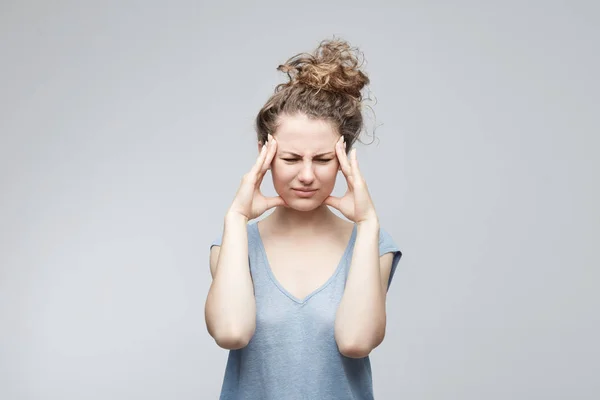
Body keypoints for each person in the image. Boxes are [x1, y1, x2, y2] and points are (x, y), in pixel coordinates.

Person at [205, 38, 402, 400]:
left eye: (323, 160)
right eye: (292, 159)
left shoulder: (373, 246)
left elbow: (356, 341)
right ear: (265, 155)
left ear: (345, 160)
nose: (307, 175)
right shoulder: (234, 246)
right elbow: (231, 332)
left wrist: (368, 224)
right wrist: (235, 218)